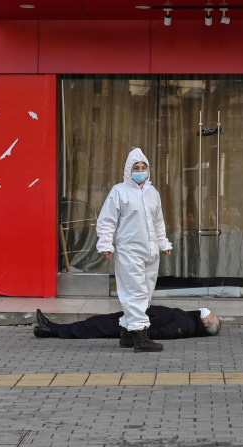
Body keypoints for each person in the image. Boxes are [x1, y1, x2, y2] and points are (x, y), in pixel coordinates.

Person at [96, 148, 172, 353]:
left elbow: (158, 221)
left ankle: (127, 333)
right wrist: (105, 244)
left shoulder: (152, 192)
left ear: (149, 170)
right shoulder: (119, 191)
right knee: (135, 292)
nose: (140, 171)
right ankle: (140, 337)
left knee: (145, 292)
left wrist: (163, 243)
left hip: (151, 251)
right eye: (136, 168)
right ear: (128, 171)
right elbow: (107, 220)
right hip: (129, 250)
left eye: (143, 167)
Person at [33, 306, 221, 340]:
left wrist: (137, 331)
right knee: (95, 323)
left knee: (93, 327)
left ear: (206, 324)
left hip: (134, 323)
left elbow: (164, 332)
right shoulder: (190, 319)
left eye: (212, 316)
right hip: (135, 316)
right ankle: (52, 328)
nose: (210, 313)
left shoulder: (186, 326)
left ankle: (52, 330)